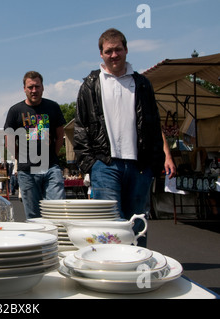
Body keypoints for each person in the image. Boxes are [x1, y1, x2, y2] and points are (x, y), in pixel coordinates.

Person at [74, 28, 165, 246]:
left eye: (118, 50)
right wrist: (90, 164)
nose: (114, 55)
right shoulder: (90, 84)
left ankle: (137, 268)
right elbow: (81, 126)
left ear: (126, 49)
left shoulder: (142, 83)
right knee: (109, 225)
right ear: (101, 54)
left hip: (139, 165)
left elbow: (153, 125)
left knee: (137, 223)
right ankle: (111, 270)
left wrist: (155, 164)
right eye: (108, 51)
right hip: (105, 165)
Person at [4, 71, 67, 220]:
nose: (34, 90)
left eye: (37, 87)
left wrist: (54, 156)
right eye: (30, 87)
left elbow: (60, 137)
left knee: (57, 211)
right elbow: (9, 140)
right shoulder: (15, 111)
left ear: (42, 88)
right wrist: (20, 158)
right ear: (24, 89)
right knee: (33, 216)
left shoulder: (53, 107)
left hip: (51, 167)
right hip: (27, 171)